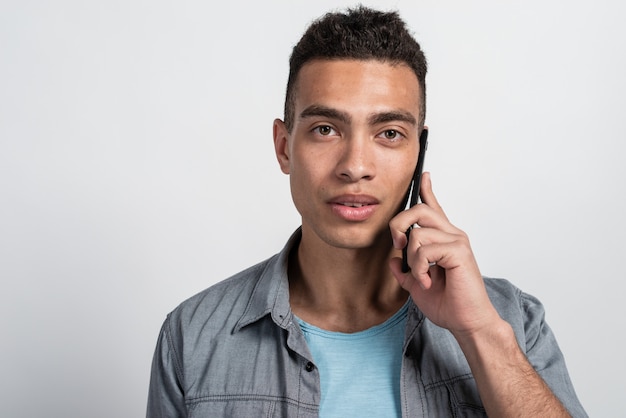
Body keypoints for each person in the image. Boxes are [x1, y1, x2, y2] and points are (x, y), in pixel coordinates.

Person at [147, 6, 587, 417]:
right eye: (325, 129)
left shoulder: (511, 321)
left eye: (389, 133)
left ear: (419, 151)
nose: (356, 166)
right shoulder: (192, 338)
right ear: (284, 148)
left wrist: (480, 334)